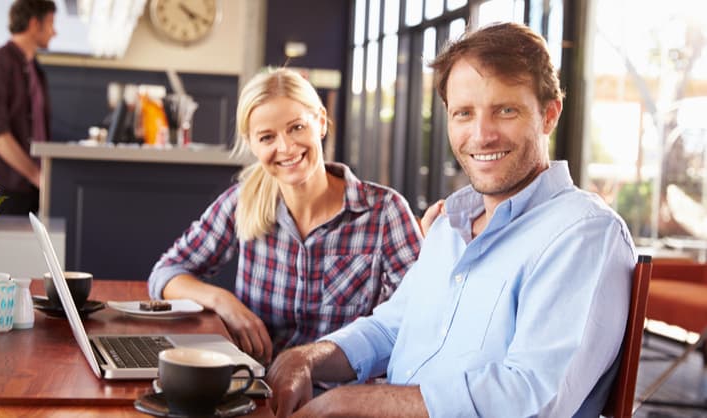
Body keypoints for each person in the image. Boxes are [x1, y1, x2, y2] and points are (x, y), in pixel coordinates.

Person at [266, 22, 636, 417]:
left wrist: (352, 401)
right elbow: (390, 327)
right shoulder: (449, 225)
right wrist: (305, 358)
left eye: (505, 110)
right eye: (463, 114)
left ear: (549, 115)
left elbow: (531, 397)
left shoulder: (583, 233)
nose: (481, 135)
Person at [147, 68, 422, 365]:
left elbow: (416, 317)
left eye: (296, 128)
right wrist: (223, 302)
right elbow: (166, 274)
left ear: (320, 122)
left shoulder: (384, 212)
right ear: (252, 144)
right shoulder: (243, 202)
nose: (286, 148)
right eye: (267, 137)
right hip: (259, 389)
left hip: (345, 397)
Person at [0, 0, 56, 215]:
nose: (55, 32)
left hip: (28, 189)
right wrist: (38, 176)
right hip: (0, 190)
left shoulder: (35, 68)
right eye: (51, 23)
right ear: (35, 23)